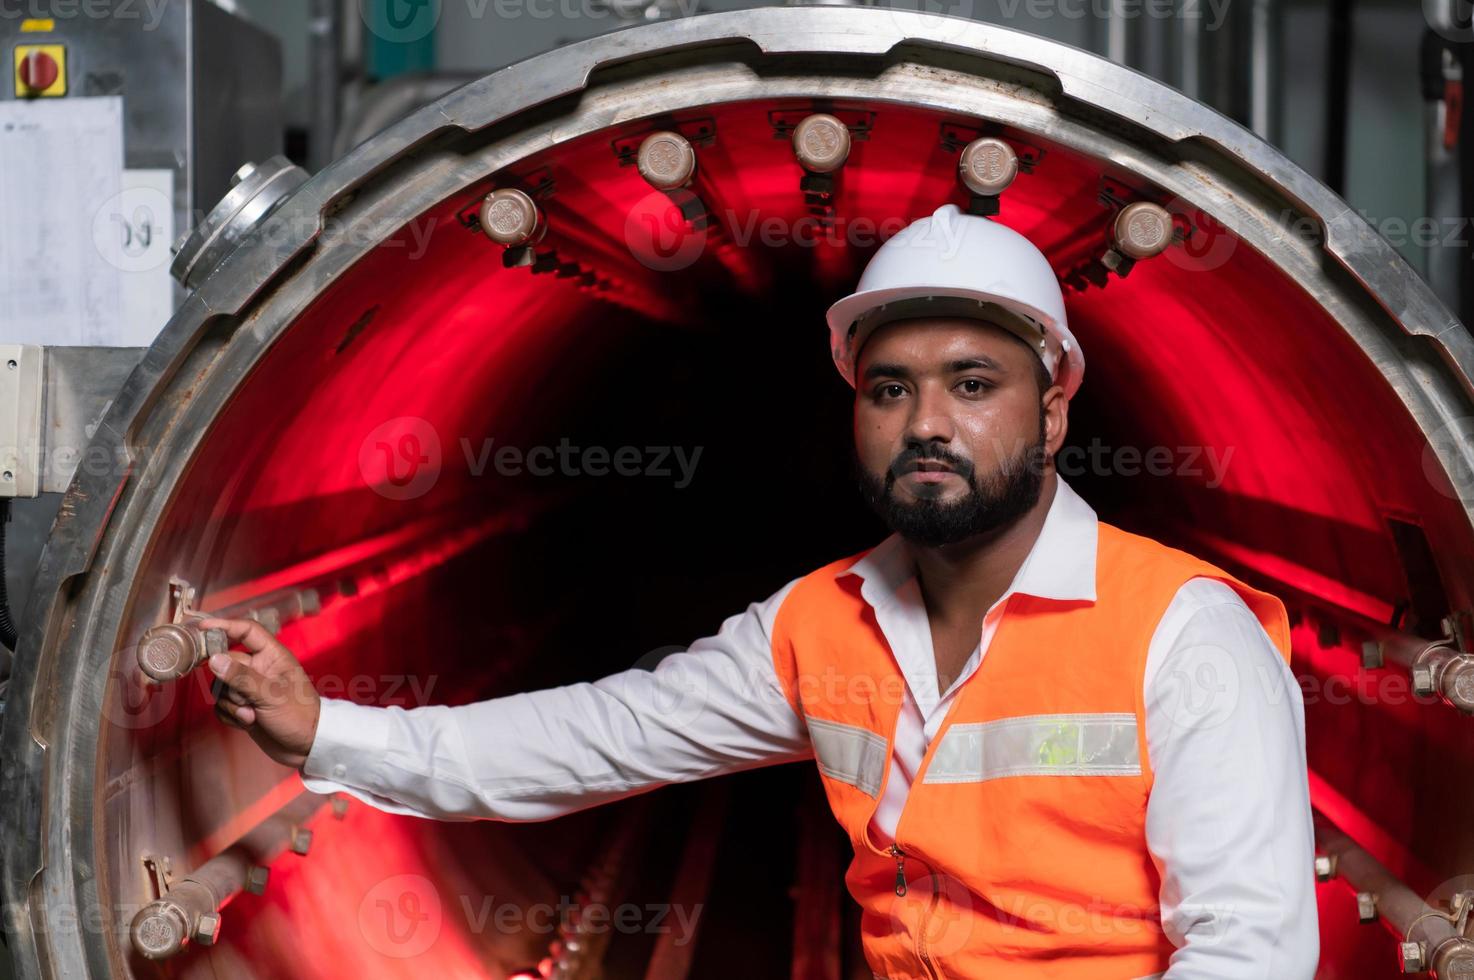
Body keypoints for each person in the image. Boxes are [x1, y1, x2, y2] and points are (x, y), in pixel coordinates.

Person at [201, 203, 1319, 978]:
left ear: (1054, 411)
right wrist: (327, 732)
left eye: (972, 384)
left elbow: (1248, 949)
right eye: (891, 388)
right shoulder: (823, 622)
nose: (926, 422)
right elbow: (598, 735)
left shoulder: (1181, 633)